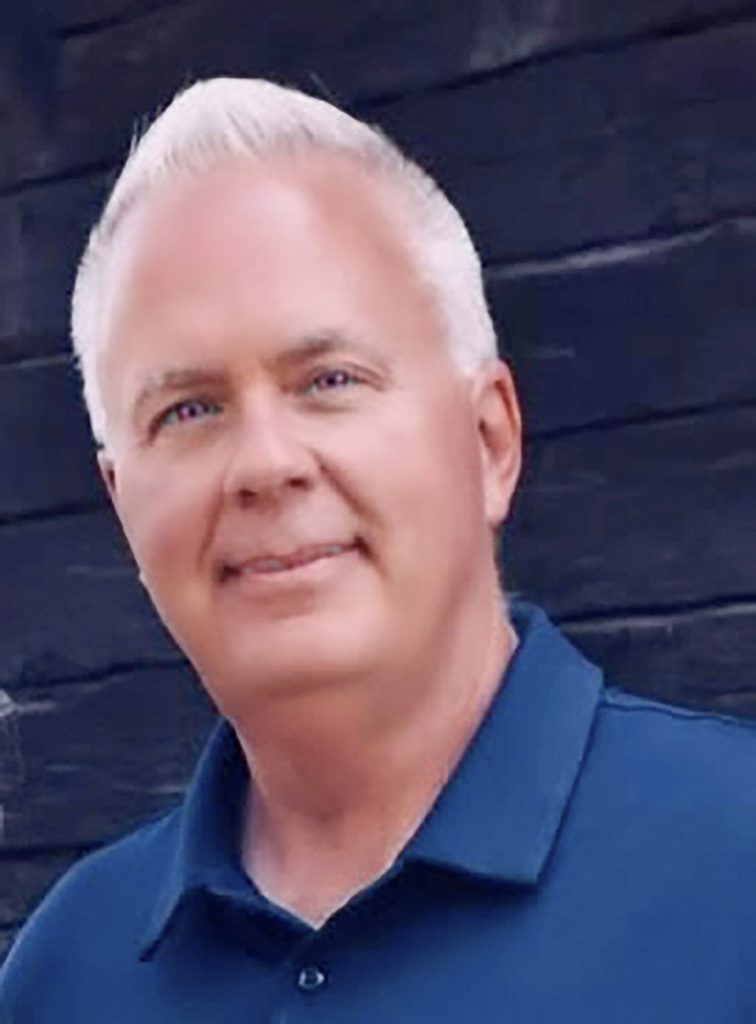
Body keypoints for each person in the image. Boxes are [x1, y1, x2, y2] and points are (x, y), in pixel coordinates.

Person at [2, 77, 756, 1023]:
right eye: (189, 410)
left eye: (329, 379)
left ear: (489, 442)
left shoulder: (737, 875)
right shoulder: (65, 978)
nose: (266, 464)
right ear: (120, 501)